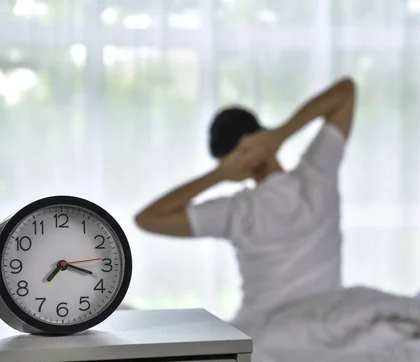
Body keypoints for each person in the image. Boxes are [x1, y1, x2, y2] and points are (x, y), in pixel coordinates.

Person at [135, 77, 356, 330]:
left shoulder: (316, 174)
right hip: (267, 329)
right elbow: (147, 219)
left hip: (317, 321)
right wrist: (220, 174)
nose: (248, 156)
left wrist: (279, 134)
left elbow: (345, 91)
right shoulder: (237, 210)